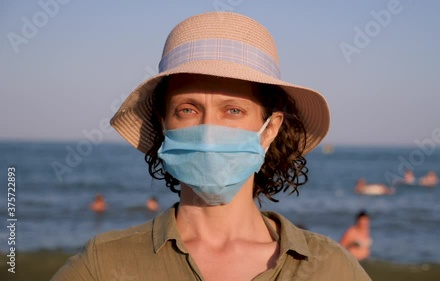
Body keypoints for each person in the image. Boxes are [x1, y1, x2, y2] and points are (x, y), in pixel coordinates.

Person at [52, 12, 371, 280]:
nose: (208, 132)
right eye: (188, 109)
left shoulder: (331, 269)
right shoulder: (103, 266)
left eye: (233, 110)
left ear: (269, 129)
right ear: (164, 125)